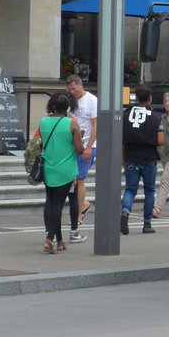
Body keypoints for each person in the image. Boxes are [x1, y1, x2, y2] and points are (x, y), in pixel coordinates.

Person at [38, 92, 84, 255]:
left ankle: (60, 241)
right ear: (67, 108)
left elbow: (43, 142)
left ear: (51, 106)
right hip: (66, 170)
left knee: (51, 202)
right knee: (58, 204)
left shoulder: (43, 122)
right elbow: (79, 150)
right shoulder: (72, 124)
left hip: (49, 168)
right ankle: (50, 239)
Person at [121, 85, 163, 235]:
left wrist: (123, 158)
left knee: (130, 189)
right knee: (149, 190)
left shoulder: (126, 115)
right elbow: (160, 140)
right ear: (150, 99)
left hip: (131, 156)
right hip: (148, 158)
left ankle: (125, 211)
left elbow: (122, 140)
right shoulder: (156, 117)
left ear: (136, 98)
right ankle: (146, 223)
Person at [65, 74, 98, 240]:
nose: (72, 92)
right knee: (73, 179)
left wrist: (90, 146)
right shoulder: (71, 102)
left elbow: (95, 124)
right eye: (69, 90)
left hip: (86, 144)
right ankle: (82, 205)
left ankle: (78, 214)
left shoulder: (91, 100)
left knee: (80, 178)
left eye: (74, 89)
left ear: (80, 85)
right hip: (73, 144)